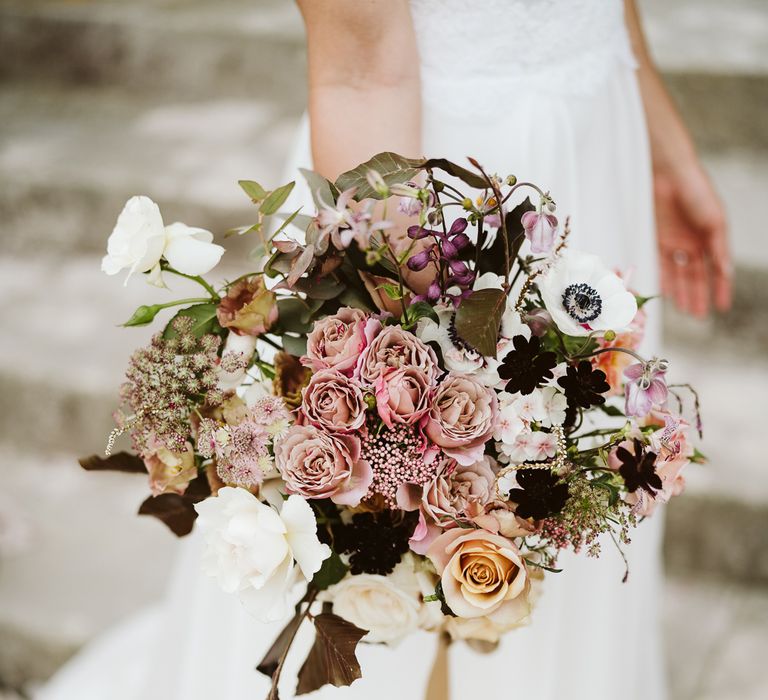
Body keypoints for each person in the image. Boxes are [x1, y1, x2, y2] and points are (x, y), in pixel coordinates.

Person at [37, 1, 730, 699]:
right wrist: (413, 351)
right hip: (428, 195)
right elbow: (361, 73)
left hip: (599, 132)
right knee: (410, 543)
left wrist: (664, 146)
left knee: (579, 503)